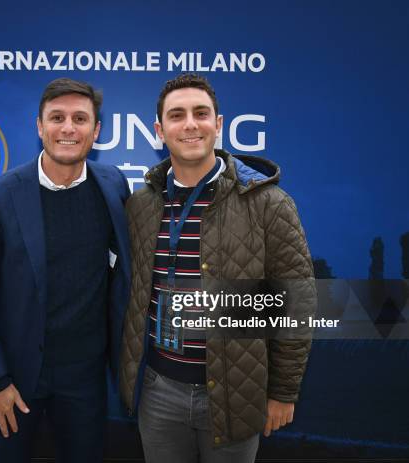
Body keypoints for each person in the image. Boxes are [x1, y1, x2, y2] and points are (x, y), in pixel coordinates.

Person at [119, 73, 317, 463]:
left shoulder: (269, 203)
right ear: (160, 130)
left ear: (219, 124)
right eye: (177, 115)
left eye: (201, 113)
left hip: (235, 393)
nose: (190, 124)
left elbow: (297, 303)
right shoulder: (140, 206)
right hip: (158, 394)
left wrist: (283, 391)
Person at [0, 78, 130, 463]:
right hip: (14, 381)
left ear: (96, 130)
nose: (68, 128)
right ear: (39, 126)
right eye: (57, 117)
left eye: (80, 119)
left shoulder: (114, 185)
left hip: (85, 378)